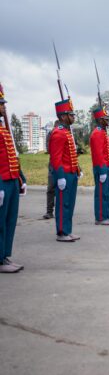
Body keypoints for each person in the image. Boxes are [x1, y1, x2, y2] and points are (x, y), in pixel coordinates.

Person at [0, 84, 26, 272]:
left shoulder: (3, 128)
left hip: (10, 180)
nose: (4, 107)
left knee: (9, 220)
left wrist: (20, 178)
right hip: (1, 181)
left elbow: (11, 156)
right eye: (1, 104)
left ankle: (4, 255)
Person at [49, 98, 81, 242]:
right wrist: (60, 176)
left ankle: (67, 230)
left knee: (70, 204)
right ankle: (61, 232)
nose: (73, 117)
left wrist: (77, 169)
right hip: (64, 174)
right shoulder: (58, 133)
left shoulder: (67, 132)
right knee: (63, 204)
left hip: (71, 173)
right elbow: (56, 158)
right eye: (70, 114)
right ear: (63, 116)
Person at [89, 107, 109, 226]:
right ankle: (100, 217)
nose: (108, 121)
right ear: (99, 120)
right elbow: (99, 154)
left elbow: (107, 152)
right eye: (105, 119)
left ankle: (105, 216)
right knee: (101, 194)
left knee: (106, 193)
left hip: (107, 167)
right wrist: (103, 170)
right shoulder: (97, 133)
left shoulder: (103, 132)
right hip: (102, 168)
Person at [43, 120, 59, 219]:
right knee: (51, 188)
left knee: (64, 189)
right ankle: (49, 211)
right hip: (53, 163)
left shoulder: (68, 133)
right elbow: (49, 149)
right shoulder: (51, 134)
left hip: (65, 164)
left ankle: (62, 210)